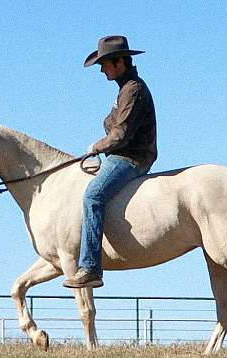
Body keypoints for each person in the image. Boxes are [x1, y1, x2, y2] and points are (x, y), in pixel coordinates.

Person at [63, 35, 157, 289]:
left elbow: (121, 134)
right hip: (119, 155)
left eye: (104, 64)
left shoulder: (133, 90)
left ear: (119, 63)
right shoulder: (124, 90)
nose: (102, 69)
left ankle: (91, 268)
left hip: (131, 158)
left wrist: (96, 146)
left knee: (92, 196)